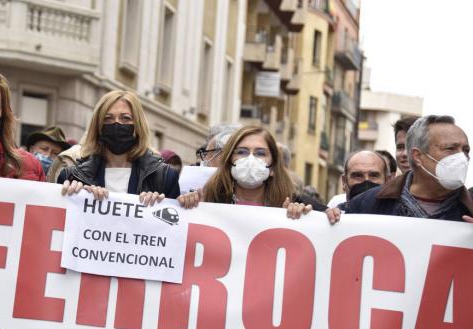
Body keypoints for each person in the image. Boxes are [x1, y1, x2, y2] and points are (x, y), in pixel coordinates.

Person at [328, 115, 472, 224]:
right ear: (417, 156)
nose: (462, 157)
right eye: (450, 149)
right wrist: (315, 217)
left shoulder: (469, 208)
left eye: (466, 150)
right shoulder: (369, 203)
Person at [58, 90, 180, 205]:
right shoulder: (72, 177)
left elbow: (174, 223)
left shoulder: (164, 178)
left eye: (125, 118)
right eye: (108, 118)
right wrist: (76, 196)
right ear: (98, 126)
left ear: (138, 126)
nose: (116, 124)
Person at [177, 126, 312, 219]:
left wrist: (329, 214)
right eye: (242, 152)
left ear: (273, 168)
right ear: (228, 161)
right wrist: (188, 207)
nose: (250, 159)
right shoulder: (208, 200)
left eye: (260, 153)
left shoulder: (290, 204)